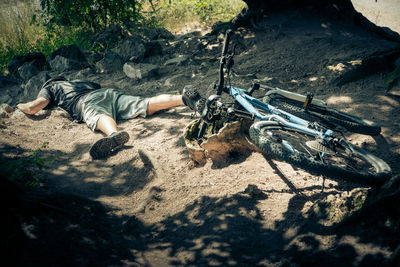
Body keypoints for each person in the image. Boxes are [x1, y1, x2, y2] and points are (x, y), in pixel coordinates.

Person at [17, 77, 205, 159]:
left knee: (98, 114)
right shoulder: (78, 82)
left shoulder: (51, 87)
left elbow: (35, 107)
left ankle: (114, 134)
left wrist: (20, 105)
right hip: (109, 93)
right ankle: (183, 99)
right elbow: (104, 85)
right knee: (145, 104)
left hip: (87, 101)